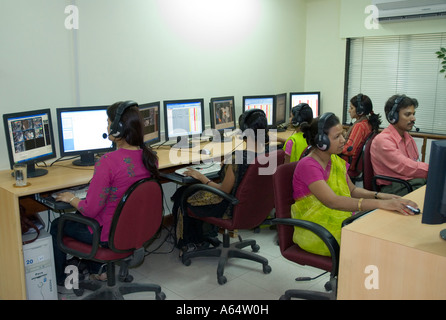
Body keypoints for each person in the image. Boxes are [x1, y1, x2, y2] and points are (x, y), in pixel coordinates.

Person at [50, 101, 159, 287]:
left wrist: (72, 198)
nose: (107, 126)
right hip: (134, 229)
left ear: (117, 129)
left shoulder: (107, 163)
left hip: (108, 236)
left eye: (108, 122)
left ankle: (61, 280)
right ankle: (97, 271)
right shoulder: (150, 158)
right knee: (79, 215)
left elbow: (90, 210)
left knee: (58, 224)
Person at [292, 112, 419, 256]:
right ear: (321, 142)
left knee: (385, 233)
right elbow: (333, 202)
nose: (343, 140)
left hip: (337, 222)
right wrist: (381, 204)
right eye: (337, 137)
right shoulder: (308, 166)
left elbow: (352, 190)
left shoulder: (333, 160)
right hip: (317, 232)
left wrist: (381, 196)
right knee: (377, 243)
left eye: (342, 134)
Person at [172, 109, 270, 254]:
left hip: (229, 207)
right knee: (187, 191)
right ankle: (204, 237)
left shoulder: (238, 158)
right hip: (253, 206)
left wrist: (201, 177)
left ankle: (189, 243)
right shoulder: (269, 152)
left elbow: (223, 190)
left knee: (183, 194)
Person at [371, 94, 428, 196]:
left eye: (413, 114)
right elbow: (405, 166)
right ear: (393, 117)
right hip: (394, 188)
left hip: (409, 182)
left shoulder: (407, 137)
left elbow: (413, 163)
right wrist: (434, 169)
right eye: (407, 114)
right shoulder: (383, 140)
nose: (413, 118)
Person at [341, 94, 381, 178]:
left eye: (351, 108)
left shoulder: (359, 126)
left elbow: (349, 150)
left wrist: (334, 147)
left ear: (359, 111)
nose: (349, 111)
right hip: (355, 165)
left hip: (348, 165)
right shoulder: (367, 123)